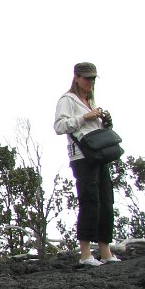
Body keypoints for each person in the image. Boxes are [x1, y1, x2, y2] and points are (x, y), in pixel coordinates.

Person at [53, 62, 119, 266]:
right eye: (87, 78)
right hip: (81, 156)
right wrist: (85, 116)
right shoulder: (67, 100)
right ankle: (85, 254)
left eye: (93, 79)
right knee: (90, 201)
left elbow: (93, 126)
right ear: (77, 78)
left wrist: (104, 121)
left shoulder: (90, 100)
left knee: (106, 201)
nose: (91, 82)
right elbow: (59, 126)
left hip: (98, 155)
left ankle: (105, 251)